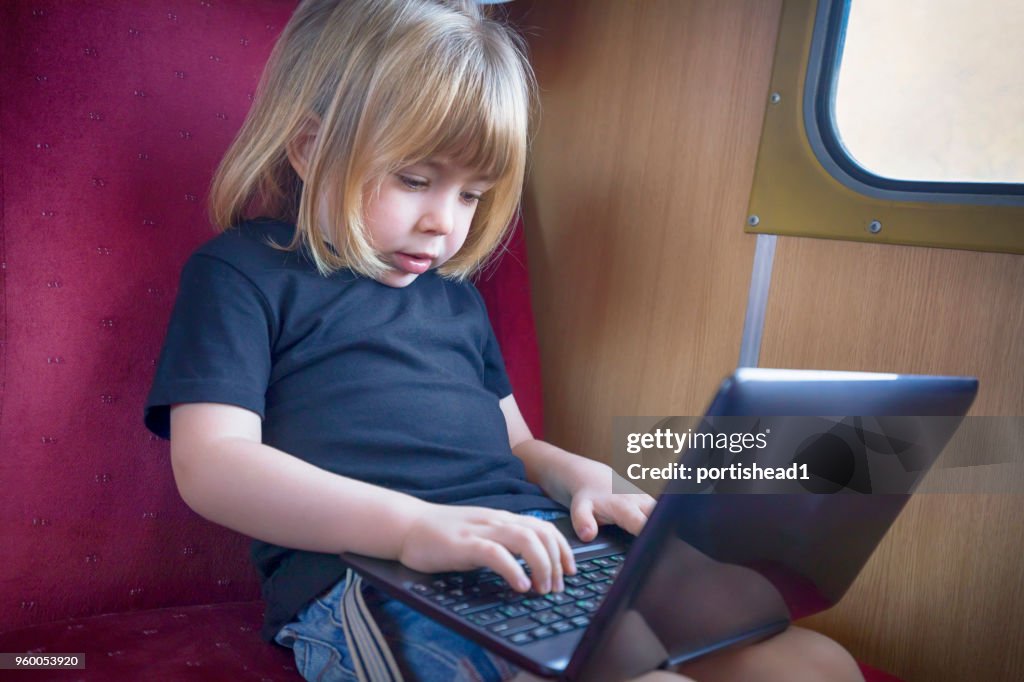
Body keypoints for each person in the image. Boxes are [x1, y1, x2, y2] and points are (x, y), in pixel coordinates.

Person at [144, 1, 863, 680]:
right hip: (368, 576)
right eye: (416, 179)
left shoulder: (453, 296)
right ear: (308, 147)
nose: (444, 223)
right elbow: (214, 464)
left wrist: (582, 476)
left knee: (815, 664)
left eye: (472, 195)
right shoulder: (242, 273)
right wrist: (410, 528)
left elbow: (517, 445)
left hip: (532, 546)